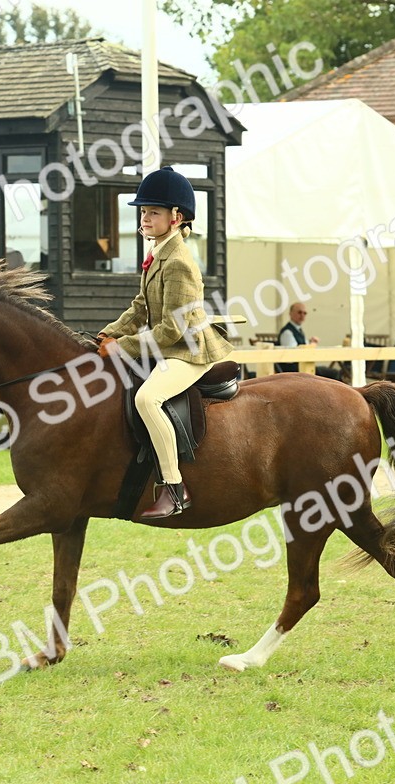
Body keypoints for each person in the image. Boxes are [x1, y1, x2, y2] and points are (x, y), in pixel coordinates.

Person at [98, 166, 233, 519]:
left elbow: (171, 331)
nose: (145, 218)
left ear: (176, 218)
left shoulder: (179, 263)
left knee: (147, 398)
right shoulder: (158, 254)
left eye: (153, 212)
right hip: (168, 346)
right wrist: (110, 332)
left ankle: (174, 489)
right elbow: (141, 307)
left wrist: (122, 347)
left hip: (188, 351)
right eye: (143, 212)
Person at [276, 302, 341, 379]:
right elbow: (293, 355)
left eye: (305, 313)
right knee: (334, 374)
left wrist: (311, 344)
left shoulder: (298, 330)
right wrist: (311, 345)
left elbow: (301, 347)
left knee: (333, 372)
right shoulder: (287, 332)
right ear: (290, 314)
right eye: (299, 312)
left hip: (302, 367)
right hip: (295, 370)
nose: (302, 315)